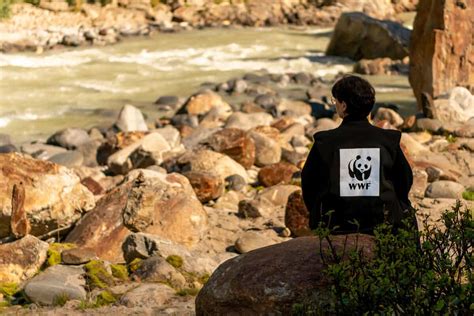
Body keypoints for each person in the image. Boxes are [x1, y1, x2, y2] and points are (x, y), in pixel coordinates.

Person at [301, 75, 415, 234]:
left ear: (344, 106)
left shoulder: (325, 142)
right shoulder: (388, 140)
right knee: (406, 210)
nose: (335, 105)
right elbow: (404, 181)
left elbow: (309, 185)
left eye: (336, 101)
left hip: (337, 223)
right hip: (383, 221)